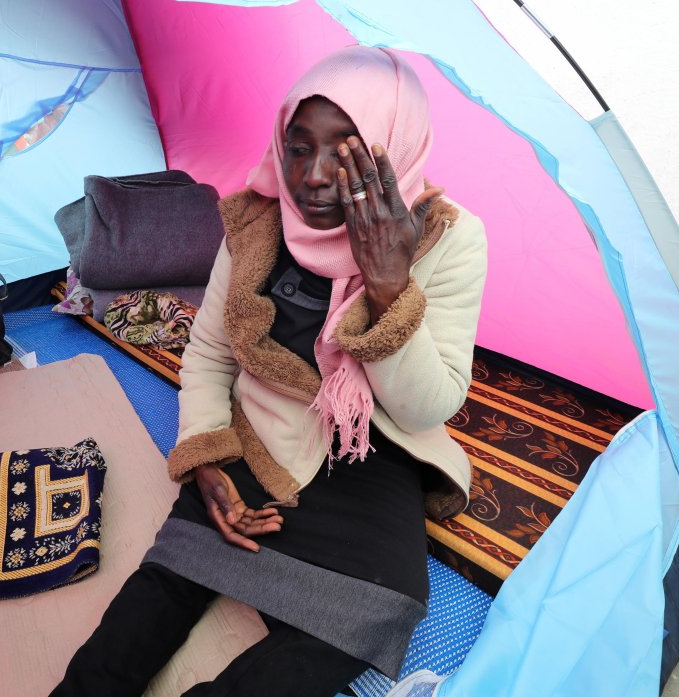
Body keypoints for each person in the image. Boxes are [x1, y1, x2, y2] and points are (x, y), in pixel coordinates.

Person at [51, 46, 487, 697]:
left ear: (390, 149)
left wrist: (389, 286)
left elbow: (425, 408)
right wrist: (204, 454)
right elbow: (207, 354)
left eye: (344, 151)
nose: (312, 175)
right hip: (262, 436)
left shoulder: (447, 238)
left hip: (369, 453)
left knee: (375, 608)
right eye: (297, 144)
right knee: (174, 571)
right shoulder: (254, 221)